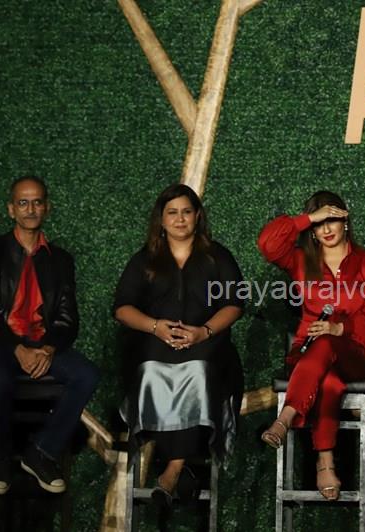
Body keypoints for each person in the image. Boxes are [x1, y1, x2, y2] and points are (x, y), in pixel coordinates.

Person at [0, 176, 100, 495]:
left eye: (37, 202)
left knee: (86, 375)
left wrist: (49, 348)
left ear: (47, 207)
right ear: (11, 209)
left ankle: (41, 452)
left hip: (42, 344)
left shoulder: (60, 260)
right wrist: (17, 348)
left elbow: (68, 319)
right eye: (23, 203)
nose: (30, 209)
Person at [114, 183, 245, 506]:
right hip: (155, 343)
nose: (180, 219)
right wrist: (156, 327)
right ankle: (182, 468)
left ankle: (173, 469)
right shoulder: (145, 260)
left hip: (208, 344)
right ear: (161, 219)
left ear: (198, 216)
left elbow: (234, 304)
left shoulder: (217, 257)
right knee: (152, 371)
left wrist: (203, 332)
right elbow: (122, 308)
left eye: (187, 211)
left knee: (197, 372)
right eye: (172, 213)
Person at [257, 190, 365, 501]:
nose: (326, 229)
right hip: (309, 354)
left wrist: (340, 328)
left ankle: (286, 417)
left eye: (332, 220)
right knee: (329, 382)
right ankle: (325, 462)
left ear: (345, 221)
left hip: (357, 353)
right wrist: (307, 218)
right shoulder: (302, 261)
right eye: (319, 224)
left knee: (328, 341)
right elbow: (268, 244)